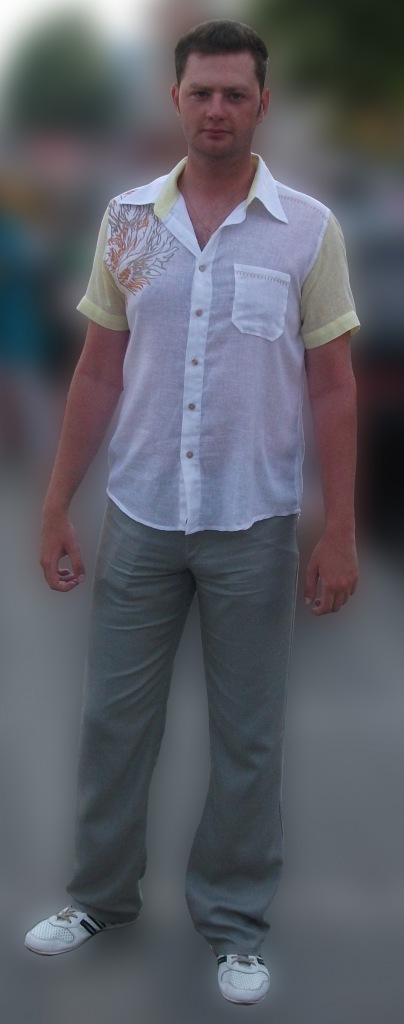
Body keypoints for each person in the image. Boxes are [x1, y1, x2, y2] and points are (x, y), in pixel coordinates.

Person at [24, 19, 359, 1005]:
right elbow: (98, 369)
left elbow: (333, 386)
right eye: (201, 92)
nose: (217, 109)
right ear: (175, 99)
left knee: (247, 737)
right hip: (141, 514)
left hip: (253, 523)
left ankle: (235, 920)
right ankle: (98, 896)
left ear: (262, 104)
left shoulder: (307, 229)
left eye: (235, 94)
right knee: (113, 723)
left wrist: (339, 529)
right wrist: (56, 503)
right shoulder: (128, 220)